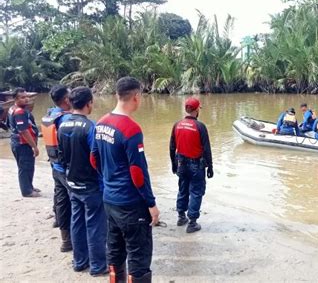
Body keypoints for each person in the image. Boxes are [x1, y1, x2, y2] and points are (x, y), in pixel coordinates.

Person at [91, 77, 159, 283]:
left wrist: (109, 179)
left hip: (109, 200)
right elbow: (138, 173)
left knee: (115, 249)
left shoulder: (101, 123)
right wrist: (151, 204)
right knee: (139, 255)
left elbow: (94, 158)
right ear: (136, 97)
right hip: (131, 204)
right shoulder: (131, 129)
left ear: (117, 95)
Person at [58, 87, 107, 276]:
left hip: (71, 182)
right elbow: (96, 158)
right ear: (89, 103)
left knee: (76, 222)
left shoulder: (62, 124)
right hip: (90, 185)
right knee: (95, 225)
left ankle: (79, 262)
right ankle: (97, 266)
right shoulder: (90, 127)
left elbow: (61, 154)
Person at [169, 97, 213, 234]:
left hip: (181, 163)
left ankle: (181, 217)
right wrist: (210, 167)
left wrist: (173, 164)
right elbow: (206, 149)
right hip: (196, 165)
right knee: (196, 191)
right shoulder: (200, 126)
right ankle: (192, 222)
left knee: (183, 189)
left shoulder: (177, 125)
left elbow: (172, 147)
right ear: (196, 110)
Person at [41, 85, 73, 250]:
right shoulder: (67, 120)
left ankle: (65, 240)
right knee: (74, 203)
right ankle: (74, 240)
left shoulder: (52, 113)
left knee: (61, 201)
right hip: (67, 169)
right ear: (67, 100)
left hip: (55, 166)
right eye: (71, 94)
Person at [7, 88, 40, 197]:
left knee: (27, 166)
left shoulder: (12, 109)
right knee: (25, 167)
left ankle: (29, 186)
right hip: (23, 144)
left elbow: (8, 125)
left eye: (27, 97)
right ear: (16, 99)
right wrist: (34, 146)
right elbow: (23, 131)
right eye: (22, 97)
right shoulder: (19, 112)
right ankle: (27, 191)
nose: (26, 99)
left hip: (16, 142)